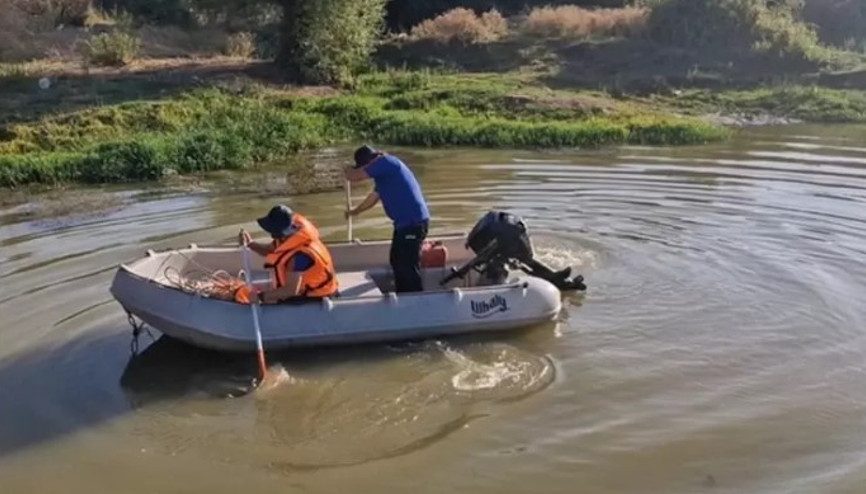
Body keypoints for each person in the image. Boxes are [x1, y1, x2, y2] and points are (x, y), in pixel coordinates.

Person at [345, 145, 430, 293]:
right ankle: (403, 294)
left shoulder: (386, 162)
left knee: (407, 264)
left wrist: (347, 171)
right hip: (403, 224)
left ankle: (414, 298)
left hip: (413, 222)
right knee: (396, 260)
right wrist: (355, 211)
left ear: (368, 162)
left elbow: (354, 177)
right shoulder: (383, 176)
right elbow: (373, 198)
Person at [235, 205, 338, 304]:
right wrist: (250, 244)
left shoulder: (298, 257)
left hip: (318, 295)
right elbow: (269, 251)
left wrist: (260, 297)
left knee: (280, 298)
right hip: (298, 286)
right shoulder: (290, 237)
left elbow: (291, 290)